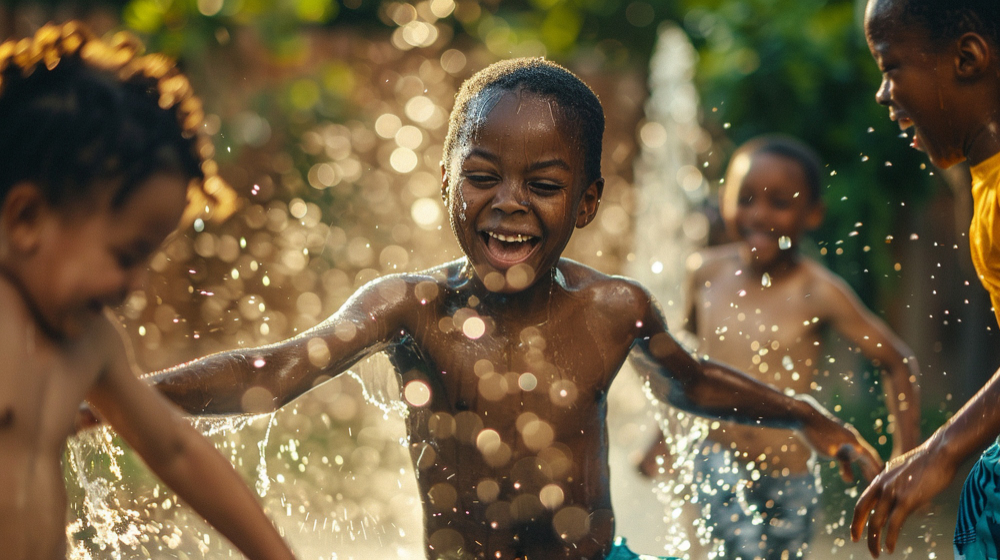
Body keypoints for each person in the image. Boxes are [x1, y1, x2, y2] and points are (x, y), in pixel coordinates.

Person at [148, 57, 881, 560]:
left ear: (586, 202)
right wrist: (127, 396)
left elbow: (692, 382)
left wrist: (806, 415)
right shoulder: (410, 309)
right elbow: (273, 372)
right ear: (445, 181)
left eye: (545, 185)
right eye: (482, 176)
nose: (509, 203)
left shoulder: (613, 309)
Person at [0, 22, 296, 560]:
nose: (135, 285)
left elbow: (177, 450)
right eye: (125, 256)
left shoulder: (88, 342)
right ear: (26, 218)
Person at [638, 136, 922, 560]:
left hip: (790, 479)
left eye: (780, 203)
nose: (759, 214)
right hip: (717, 460)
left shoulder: (819, 291)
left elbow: (897, 362)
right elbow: (690, 367)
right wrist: (661, 436)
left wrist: (905, 459)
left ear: (813, 213)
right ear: (725, 200)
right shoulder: (706, 273)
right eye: (745, 199)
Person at [852, 0, 1000, 558]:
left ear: (967, 58)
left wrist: (944, 449)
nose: (882, 94)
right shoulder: (986, 183)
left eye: (891, 67)